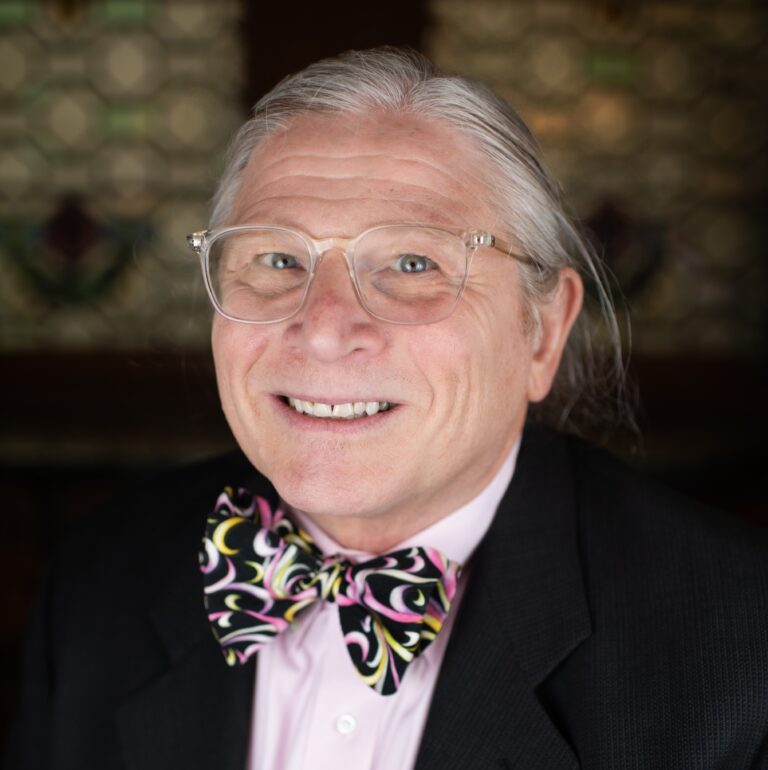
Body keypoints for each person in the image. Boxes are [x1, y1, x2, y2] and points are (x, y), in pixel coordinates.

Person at [5, 48, 767, 770]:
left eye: (411, 262)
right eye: (278, 259)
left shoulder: (741, 645)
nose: (325, 327)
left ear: (542, 331)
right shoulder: (101, 578)